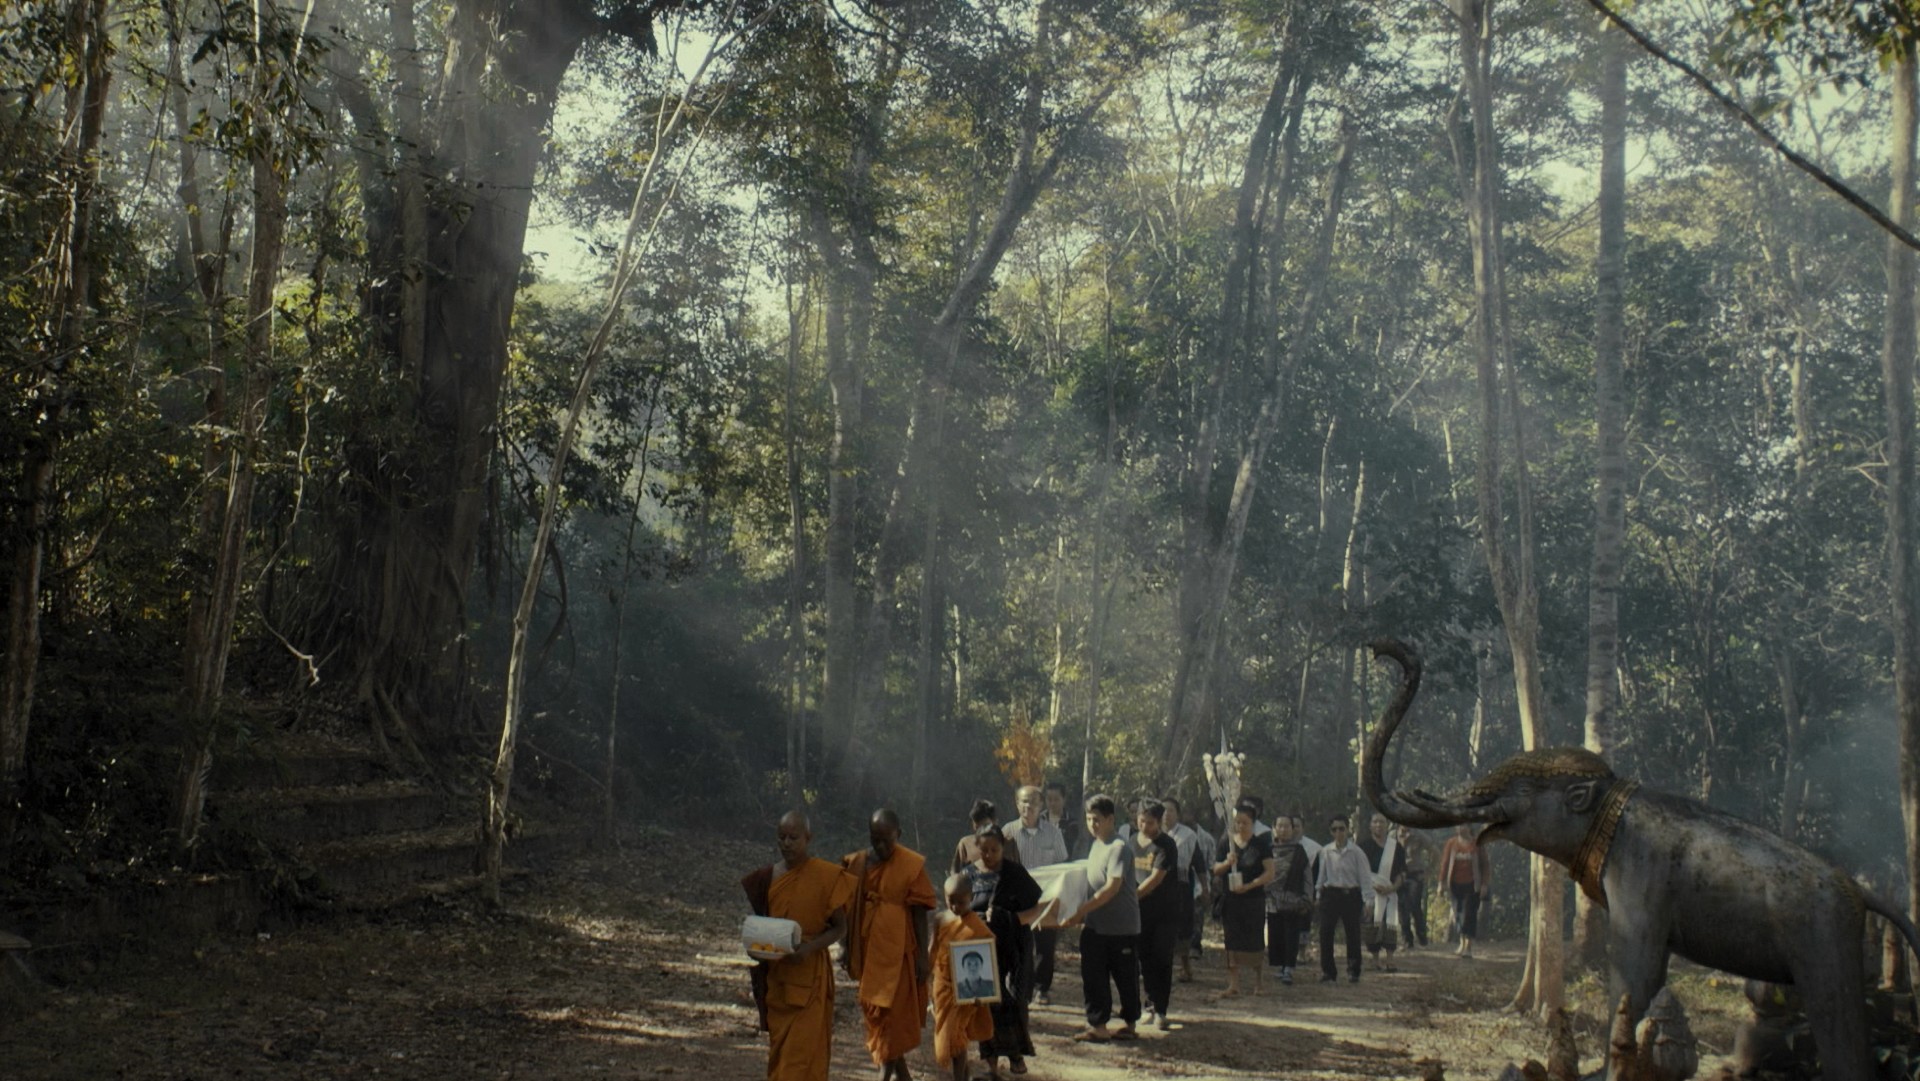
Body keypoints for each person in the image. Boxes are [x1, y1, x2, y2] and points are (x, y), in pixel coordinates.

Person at [742, 810, 855, 1081]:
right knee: (781, 1058)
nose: (787, 843)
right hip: (778, 979)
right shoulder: (768, 877)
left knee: (802, 1060)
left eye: (794, 837)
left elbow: (840, 927)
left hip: (811, 977)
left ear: (808, 837)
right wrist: (757, 943)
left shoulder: (825, 876)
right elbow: (761, 927)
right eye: (781, 837)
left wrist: (809, 948)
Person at [842, 809, 937, 1081]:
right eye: (875, 839)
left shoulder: (910, 864)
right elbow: (848, 908)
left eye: (887, 840)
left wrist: (922, 957)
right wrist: (846, 947)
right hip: (870, 950)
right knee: (878, 1014)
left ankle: (884, 1076)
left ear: (899, 834)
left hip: (901, 951)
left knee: (893, 1019)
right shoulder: (859, 863)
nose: (881, 846)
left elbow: (920, 914)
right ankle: (903, 1077)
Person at [1059, 793, 1140, 1042]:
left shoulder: (1119, 848)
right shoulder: (1095, 845)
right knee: (1093, 976)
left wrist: (1080, 911)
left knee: (1125, 977)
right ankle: (1098, 1025)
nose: (1092, 824)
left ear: (1110, 819)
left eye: (1097, 819)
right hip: (1095, 925)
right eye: (1088, 819)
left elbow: (1111, 888)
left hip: (1121, 927)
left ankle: (1129, 1023)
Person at [965, 828, 1042, 1078]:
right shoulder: (968, 875)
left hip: (1014, 948)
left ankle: (1016, 1054)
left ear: (1003, 848)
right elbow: (957, 907)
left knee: (1013, 1002)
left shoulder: (1015, 873)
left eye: (994, 850)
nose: (988, 855)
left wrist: (1010, 918)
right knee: (986, 1005)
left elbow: (1038, 908)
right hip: (980, 950)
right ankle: (991, 1066)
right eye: (984, 850)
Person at [1004, 785, 1067, 1008]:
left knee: (1045, 946)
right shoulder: (1007, 832)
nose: (1028, 806)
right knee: (1018, 943)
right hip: (1017, 900)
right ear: (1017, 803)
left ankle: (1042, 989)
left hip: (1046, 898)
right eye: (1024, 801)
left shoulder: (1054, 833)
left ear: (1041, 805)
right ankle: (1020, 988)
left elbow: (1062, 865)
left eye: (1033, 802)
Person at [931, 873, 995, 1081]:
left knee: (954, 1036)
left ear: (972, 898)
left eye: (961, 902)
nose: (955, 907)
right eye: (951, 901)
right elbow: (933, 949)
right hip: (942, 987)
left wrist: (983, 993)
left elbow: (988, 960)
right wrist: (925, 975)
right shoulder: (941, 919)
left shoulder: (977, 927)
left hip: (967, 991)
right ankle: (964, 1076)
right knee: (955, 1036)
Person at [1211, 800, 1275, 996]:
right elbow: (1215, 869)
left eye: (1244, 822)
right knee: (1232, 940)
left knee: (1255, 939)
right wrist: (1227, 863)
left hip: (1253, 899)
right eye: (1237, 822)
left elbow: (1270, 872)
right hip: (1231, 900)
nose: (1240, 826)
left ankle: (1258, 982)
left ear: (1253, 823)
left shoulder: (1261, 844)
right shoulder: (1227, 842)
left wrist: (1250, 885)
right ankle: (1234, 984)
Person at [1131, 800, 1180, 1029]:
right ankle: (1148, 1005)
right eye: (1141, 821)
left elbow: (1155, 879)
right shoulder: (1132, 841)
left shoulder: (1166, 845)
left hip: (1165, 913)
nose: (1144, 826)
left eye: (1150, 823)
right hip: (1140, 912)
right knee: (1145, 959)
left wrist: (1131, 897)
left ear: (1159, 822)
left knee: (1162, 958)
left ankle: (1161, 1009)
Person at [1315, 814, 1370, 983]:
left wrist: (1368, 900)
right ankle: (1328, 972)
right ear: (1330, 831)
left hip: (1350, 895)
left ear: (1347, 830)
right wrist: (1318, 895)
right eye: (1334, 829)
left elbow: (1365, 877)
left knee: (1353, 933)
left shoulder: (1356, 852)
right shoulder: (1326, 851)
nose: (1338, 833)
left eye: (1341, 829)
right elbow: (1322, 875)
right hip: (1330, 894)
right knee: (1326, 932)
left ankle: (1353, 970)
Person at [1161, 796, 1208, 984]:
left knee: (1182, 928)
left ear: (1178, 814)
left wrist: (1205, 888)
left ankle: (1185, 967)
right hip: (1157, 887)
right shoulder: (1152, 833)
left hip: (1181, 888)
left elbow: (1199, 864)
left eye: (1171, 810)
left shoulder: (1188, 836)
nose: (1166, 814)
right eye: (1163, 810)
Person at [1262, 815, 1312, 986]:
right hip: (1272, 899)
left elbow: (1307, 875)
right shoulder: (1268, 849)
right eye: (1280, 826)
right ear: (1274, 828)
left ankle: (1289, 968)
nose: (1283, 830)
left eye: (1287, 826)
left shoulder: (1299, 851)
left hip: (1292, 900)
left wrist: (1307, 897)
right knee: (1275, 933)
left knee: (1291, 933)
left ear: (1292, 829)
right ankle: (1279, 966)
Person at [1358, 813, 1407, 972]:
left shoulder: (1396, 847)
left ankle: (1390, 959)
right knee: (1372, 925)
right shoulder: (1363, 846)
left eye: (1381, 822)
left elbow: (1402, 872)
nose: (1378, 825)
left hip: (1390, 892)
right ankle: (1374, 959)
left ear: (1387, 825)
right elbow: (1360, 872)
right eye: (1375, 822)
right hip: (1371, 892)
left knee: (1390, 925)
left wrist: (1392, 888)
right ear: (1370, 825)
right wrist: (1372, 886)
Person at [1439, 823, 1491, 958]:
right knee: (1458, 915)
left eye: (1463, 825)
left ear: (1469, 827)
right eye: (1458, 826)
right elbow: (1445, 863)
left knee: (1469, 915)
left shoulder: (1477, 844)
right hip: (1455, 886)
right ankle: (1461, 943)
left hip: (1472, 886)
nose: (1460, 828)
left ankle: (1468, 947)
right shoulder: (1451, 843)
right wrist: (1441, 883)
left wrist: (1484, 885)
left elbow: (1485, 865)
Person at [952, 799, 1021, 874]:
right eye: (977, 827)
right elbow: (955, 874)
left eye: (985, 827)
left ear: (995, 822)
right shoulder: (965, 844)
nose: (981, 832)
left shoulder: (1009, 844)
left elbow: (1018, 872)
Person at [1396, 824, 1433, 950]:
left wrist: (1428, 870)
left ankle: (1422, 938)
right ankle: (1406, 940)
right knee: (1401, 907)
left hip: (1415, 875)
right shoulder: (1393, 835)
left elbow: (1434, 851)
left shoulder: (1418, 835)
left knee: (1414, 905)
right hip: (1398, 875)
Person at [1043, 781, 1085, 859]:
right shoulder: (1038, 820)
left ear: (1064, 799)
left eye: (1056, 799)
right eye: (1049, 799)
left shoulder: (1071, 823)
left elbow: (1069, 849)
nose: (1052, 803)